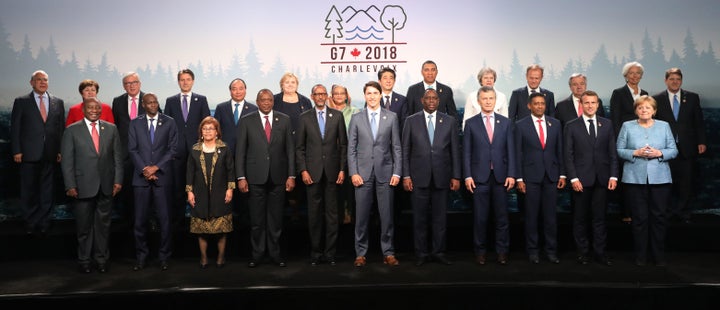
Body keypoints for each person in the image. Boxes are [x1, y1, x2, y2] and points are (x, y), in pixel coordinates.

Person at [60, 97, 123, 273]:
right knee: (84, 227)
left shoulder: (111, 129)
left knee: (103, 227)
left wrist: (118, 180)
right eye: (90, 107)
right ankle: (84, 261)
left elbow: (117, 157)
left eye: (97, 107)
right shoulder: (72, 131)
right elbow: (67, 162)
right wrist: (70, 185)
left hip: (106, 185)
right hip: (81, 186)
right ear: (83, 109)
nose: (94, 110)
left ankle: (101, 260)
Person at [236, 89, 295, 268]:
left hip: (278, 177)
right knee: (257, 220)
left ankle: (275, 254)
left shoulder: (284, 120)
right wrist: (241, 176)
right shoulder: (247, 120)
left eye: (270, 99)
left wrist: (291, 175)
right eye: (263, 100)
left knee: (276, 219)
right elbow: (240, 152)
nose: (267, 103)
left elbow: (290, 150)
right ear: (257, 101)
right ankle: (257, 254)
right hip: (254, 177)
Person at [402, 88, 461, 266]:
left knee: (440, 218)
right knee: (419, 218)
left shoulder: (449, 121)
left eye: (434, 98)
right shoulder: (411, 121)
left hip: (442, 177)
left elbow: (455, 152)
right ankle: (421, 254)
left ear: (439, 100)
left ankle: (439, 252)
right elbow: (405, 150)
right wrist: (406, 175)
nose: (431, 101)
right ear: (422, 100)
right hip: (418, 177)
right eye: (428, 98)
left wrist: (456, 176)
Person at [616, 95, 677, 267]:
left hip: (660, 179)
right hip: (635, 179)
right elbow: (619, 150)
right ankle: (641, 256)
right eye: (641, 108)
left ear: (654, 111)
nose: (644, 110)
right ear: (636, 110)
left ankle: (658, 256)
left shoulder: (664, 126)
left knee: (658, 218)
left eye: (648, 108)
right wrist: (635, 153)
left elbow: (673, 150)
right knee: (639, 219)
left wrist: (660, 153)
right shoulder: (627, 126)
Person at [348, 81, 402, 267]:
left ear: (381, 95)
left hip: (386, 174)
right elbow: (351, 149)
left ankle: (388, 253)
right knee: (361, 217)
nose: (371, 96)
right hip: (362, 175)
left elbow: (396, 147)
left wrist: (397, 172)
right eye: (368, 93)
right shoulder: (357, 118)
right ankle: (360, 254)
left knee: (387, 217)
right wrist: (353, 172)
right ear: (365, 96)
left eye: (375, 93)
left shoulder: (392, 117)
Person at [563, 90, 618, 266]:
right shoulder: (571, 126)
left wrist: (614, 176)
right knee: (580, 218)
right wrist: (573, 178)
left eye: (593, 102)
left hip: (602, 179)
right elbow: (568, 155)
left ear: (598, 104)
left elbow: (612, 154)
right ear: (581, 104)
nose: (590, 106)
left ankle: (600, 253)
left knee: (600, 218)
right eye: (586, 103)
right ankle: (583, 253)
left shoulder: (607, 124)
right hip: (580, 180)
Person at [463, 86, 516, 266]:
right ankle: (480, 252)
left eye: (491, 98)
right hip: (479, 178)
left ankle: (502, 252)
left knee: (502, 218)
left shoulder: (506, 122)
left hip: (501, 177)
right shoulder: (470, 123)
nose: (488, 101)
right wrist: (468, 176)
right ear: (478, 101)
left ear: (496, 100)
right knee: (480, 218)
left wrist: (511, 174)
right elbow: (467, 153)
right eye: (484, 98)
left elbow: (511, 151)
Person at [296, 84, 347, 266]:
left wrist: (342, 169)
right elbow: (299, 148)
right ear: (312, 96)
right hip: (312, 173)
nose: (320, 97)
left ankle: (330, 253)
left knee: (332, 215)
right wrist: (303, 170)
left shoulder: (337, 116)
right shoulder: (304, 118)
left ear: (327, 96)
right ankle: (316, 253)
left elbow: (343, 146)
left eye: (323, 94)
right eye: (316, 94)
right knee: (315, 215)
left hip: (333, 172)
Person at [11, 70, 65, 236]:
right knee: (29, 189)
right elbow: (15, 128)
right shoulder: (21, 102)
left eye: (45, 80)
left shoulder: (58, 102)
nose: (43, 82)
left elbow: (60, 129)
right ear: (31, 82)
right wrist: (17, 150)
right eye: (39, 80)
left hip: (50, 153)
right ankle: (30, 221)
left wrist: (60, 150)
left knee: (47, 189)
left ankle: (44, 221)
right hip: (28, 153)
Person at [127, 92, 178, 271]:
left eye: (155, 102)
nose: (153, 105)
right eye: (149, 102)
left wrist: (155, 168)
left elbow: (173, 149)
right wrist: (145, 170)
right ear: (143, 105)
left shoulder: (169, 122)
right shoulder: (135, 123)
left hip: (162, 177)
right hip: (141, 179)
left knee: (165, 220)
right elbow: (132, 150)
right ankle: (141, 256)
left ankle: (164, 256)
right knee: (140, 221)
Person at [514, 92, 566, 264]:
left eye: (542, 103)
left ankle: (551, 251)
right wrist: (519, 179)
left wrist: (562, 174)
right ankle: (533, 251)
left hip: (551, 176)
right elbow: (518, 154)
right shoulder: (520, 125)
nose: (539, 106)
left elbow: (560, 151)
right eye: (535, 103)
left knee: (550, 217)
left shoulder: (556, 124)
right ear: (529, 106)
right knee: (531, 217)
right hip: (530, 177)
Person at [652, 68, 707, 224]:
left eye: (677, 79)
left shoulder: (692, 98)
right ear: (665, 80)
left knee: (686, 183)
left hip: (687, 147)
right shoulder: (656, 98)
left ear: (681, 81)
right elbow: (653, 124)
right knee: (665, 183)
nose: (675, 82)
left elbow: (699, 122)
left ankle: (683, 212)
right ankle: (667, 212)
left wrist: (701, 141)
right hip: (664, 149)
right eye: (671, 79)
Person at [164, 69, 211, 232]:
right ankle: (177, 226)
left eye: (188, 79)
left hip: (196, 152)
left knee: (197, 188)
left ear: (193, 81)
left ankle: (198, 224)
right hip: (175, 153)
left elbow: (207, 125)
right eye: (182, 79)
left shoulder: (201, 99)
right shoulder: (170, 101)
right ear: (178, 82)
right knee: (177, 189)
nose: (185, 82)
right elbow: (166, 127)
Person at [186, 116, 235, 269]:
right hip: (200, 194)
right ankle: (204, 258)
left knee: (222, 230)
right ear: (201, 131)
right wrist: (190, 192)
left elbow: (230, 170)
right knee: (201, 231)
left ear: (216, 132)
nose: (208, 131)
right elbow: (189, 172)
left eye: (211, 128)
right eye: (205, 128)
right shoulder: (195, 149)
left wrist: (230, 189)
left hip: (221, 194)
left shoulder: (224, 148)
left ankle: (221, 258)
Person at [213, 78, 258, 224]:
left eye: (241, 88)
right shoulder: (221, 108)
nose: (238, 91)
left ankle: (244, 222)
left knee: (245, 194)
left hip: (247, 158)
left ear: (245, 90)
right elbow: (216, 132)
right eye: (234, 88)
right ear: (230, 91)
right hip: (226, 156)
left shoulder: (253, 109)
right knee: (226, 190)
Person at [610, 62, 648, 224]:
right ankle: (626, 212)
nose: (634, 76)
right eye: (631, 73)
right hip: (626, 142)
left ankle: (640, 212)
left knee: (642, 177)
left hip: (643, 140)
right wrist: (622, 142)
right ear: (625, 76)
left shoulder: (645, 94)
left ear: (641, 76)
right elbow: (615, 119)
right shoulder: (618, 93)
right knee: (626, 178)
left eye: (638, 73)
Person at [273, 72, 312, 223]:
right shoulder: (275, 100)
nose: (290, 84)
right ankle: (282, 210)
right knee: (281, 176)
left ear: (297, 85)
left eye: (293, 82)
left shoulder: (305, 101)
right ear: (281, 85)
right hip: (279, 145)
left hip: (301, 145)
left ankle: (298, 210)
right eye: (287, 82)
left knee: (300, 176)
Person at [111, 72, 146, 222]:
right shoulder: (117, 101)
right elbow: (115, 127)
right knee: (125, 190)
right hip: (124, 153)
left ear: (140, 83)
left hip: (144, 154)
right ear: (124, 86)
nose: (131, 86)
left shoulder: (149, 99)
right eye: (127, 83)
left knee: (144, 191)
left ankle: (144, 220)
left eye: (134, 82)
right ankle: (127, 222)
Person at [329, 84, 360, 225]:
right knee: (335, 192)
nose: (339, 95)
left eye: (342, 93)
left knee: (350, 191)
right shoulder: (326, 112)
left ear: (347, 96)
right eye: (336, 93)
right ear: (332, 95)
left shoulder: (355, 111)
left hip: (351, 156)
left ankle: (350, 216)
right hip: (331, 157)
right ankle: (337, 218)